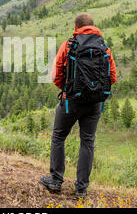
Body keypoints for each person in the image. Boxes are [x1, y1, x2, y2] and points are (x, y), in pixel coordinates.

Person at [40, 13, 117, 198]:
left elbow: (55, 75)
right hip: (95, 104)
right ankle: (81, 188)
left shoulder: (68, 45)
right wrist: (94, 92)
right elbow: (112, 77)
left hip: (71, 101)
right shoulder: (104, 48)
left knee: (59, 136)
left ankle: (56, 180)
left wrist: (69, 89)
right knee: (87, 141)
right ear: (93, 26)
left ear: (76, 27)